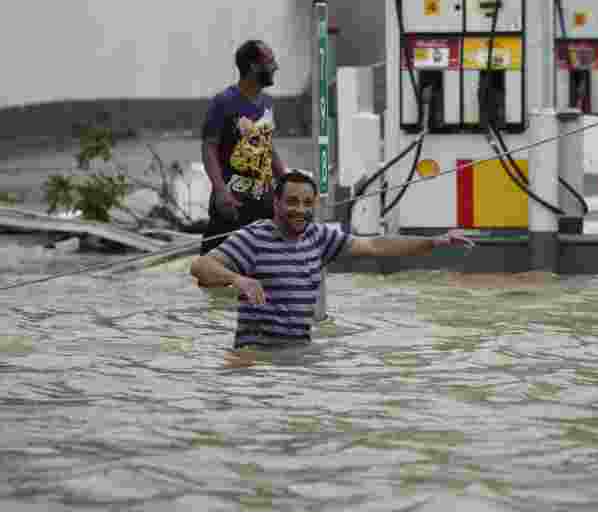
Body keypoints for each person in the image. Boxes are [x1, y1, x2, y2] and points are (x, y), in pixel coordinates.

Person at [190, 170, 475, 349]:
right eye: (291, 202)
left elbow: (376, 245)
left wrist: (435, 241)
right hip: (255, 358)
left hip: (297, 352)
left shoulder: (318, 237)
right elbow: (201, 267)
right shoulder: (255, 238)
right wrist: (238, 279)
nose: (299, 210)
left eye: (306, 203)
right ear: (276, 204)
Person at [200, 40, 287, 254]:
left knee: (264, 264)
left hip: (263, 201)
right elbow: (209, 148)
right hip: (233, 202)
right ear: (253, 66)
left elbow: (267, 146)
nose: (276, 67)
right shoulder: (223, 102)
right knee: (213, 265)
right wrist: (220, 191)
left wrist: (285, 181)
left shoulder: (268, 102)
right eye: (271, 61)